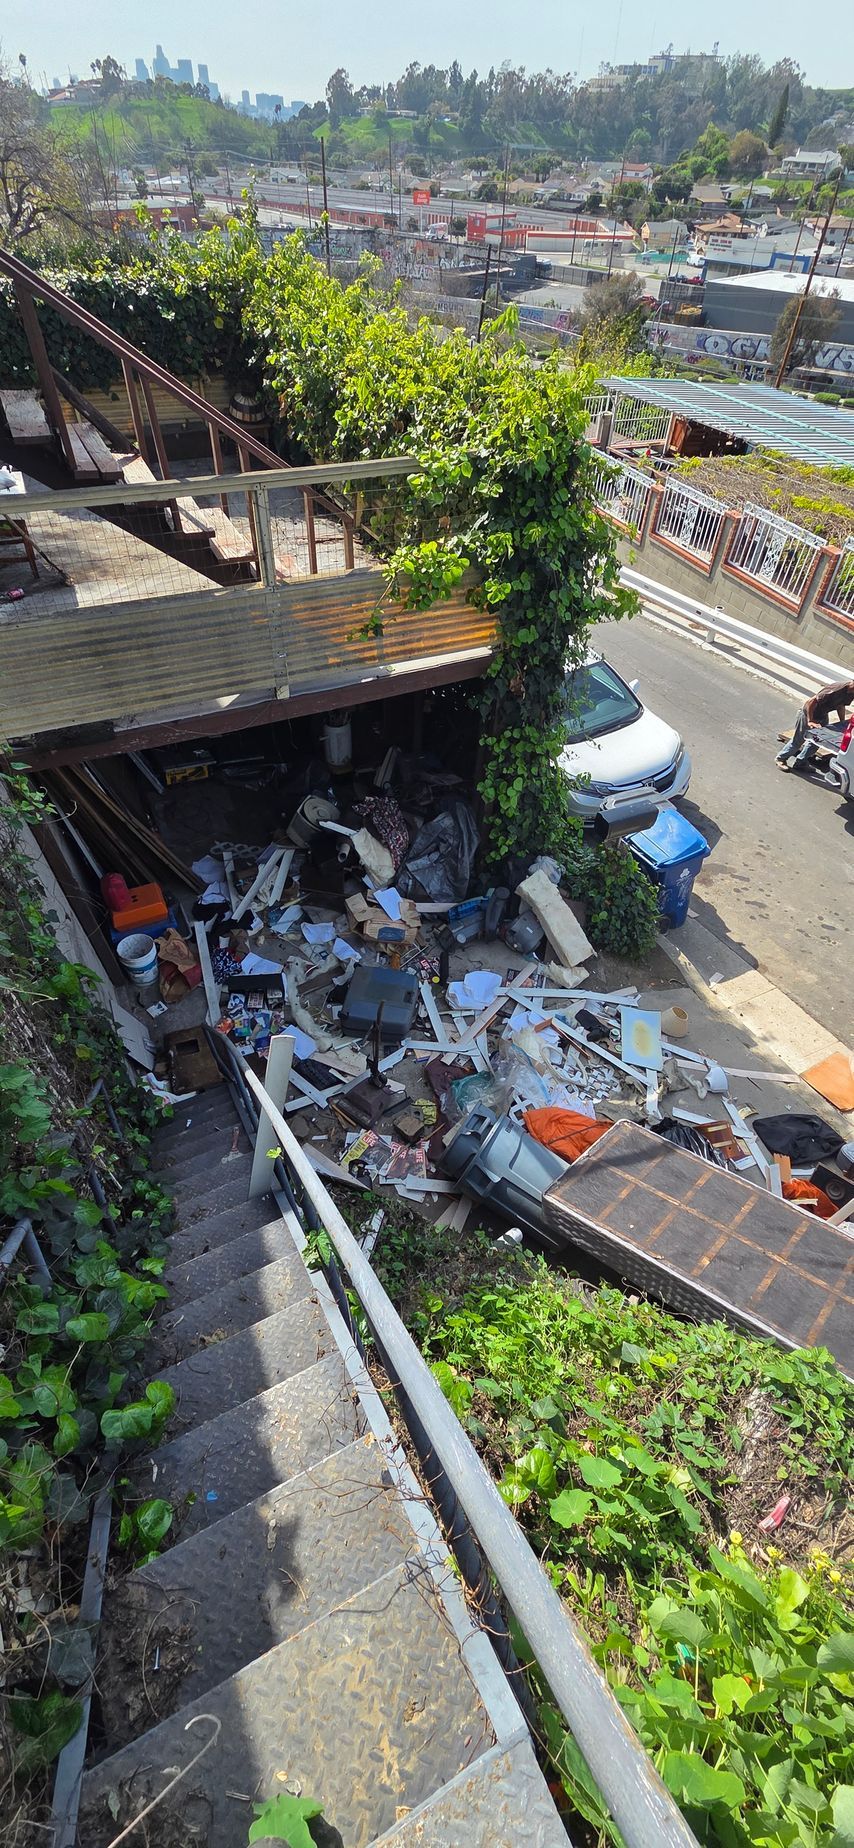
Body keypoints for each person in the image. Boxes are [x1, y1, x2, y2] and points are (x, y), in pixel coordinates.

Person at [776, 679, 854, 771]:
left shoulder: (851, 693)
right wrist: (810, 720)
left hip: (822, 715)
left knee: (817, 741)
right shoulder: (837, 689)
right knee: (799, 740)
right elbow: (811, 701)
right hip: (808, 714)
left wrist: (842, 722)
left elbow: (840, 705)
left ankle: (801, 763)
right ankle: (781, 759)